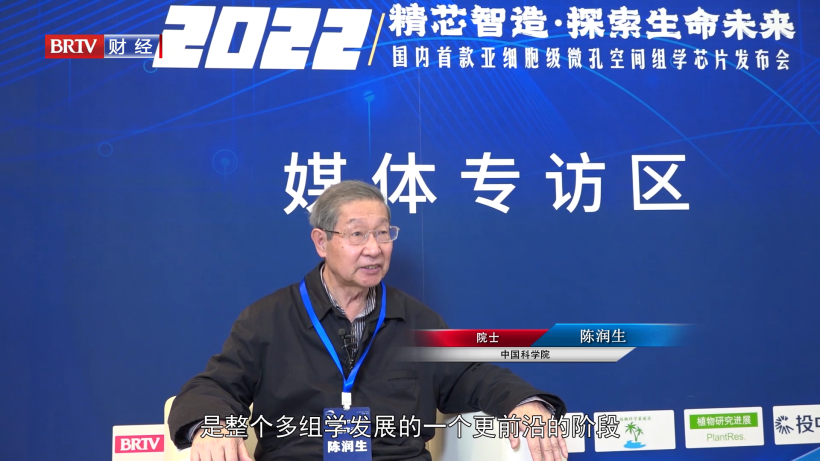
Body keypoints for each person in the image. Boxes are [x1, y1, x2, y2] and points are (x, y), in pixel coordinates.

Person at [169, 180, 568, 461]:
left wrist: (526, 404)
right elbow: (213, 387)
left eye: (383, 233)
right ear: (322, 242)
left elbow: (472, 375)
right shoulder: (268, 319)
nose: (374, 249)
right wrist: (212, 426)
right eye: (357, 235)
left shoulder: (416, 320)